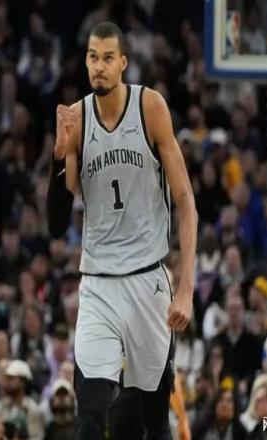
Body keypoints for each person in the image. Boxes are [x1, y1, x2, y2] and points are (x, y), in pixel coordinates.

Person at [46, 21, 197, 440]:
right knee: (90, 419)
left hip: (149, 282)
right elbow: (56, 225)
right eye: (93, 57)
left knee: (155, 421)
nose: (99, 66)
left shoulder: (150, 107)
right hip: (98, 284)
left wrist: (185, 288)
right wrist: (58, 154)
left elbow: (186, 203)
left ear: (123, 63)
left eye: (108, 58)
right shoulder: (76, 119)